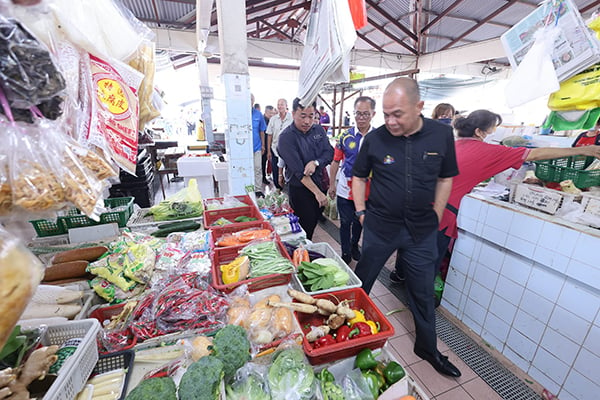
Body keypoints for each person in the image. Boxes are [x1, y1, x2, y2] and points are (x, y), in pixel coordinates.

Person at [352, 77, 461, 378]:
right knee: (362, 283)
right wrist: (362, 212)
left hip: (421, 231)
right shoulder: (375, 139)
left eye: (397, 113)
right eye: (385, 114)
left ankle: (427, 348)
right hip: (380, 226)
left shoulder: (441, 135)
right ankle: (350, 338)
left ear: (419, 107)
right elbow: (359, 177)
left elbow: (445, 177)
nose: (390, 121)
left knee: (423, 292)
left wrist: (437, 214)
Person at [431, 110, 600, 283]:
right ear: (479, 132)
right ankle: (421, 305)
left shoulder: (449, 145)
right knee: (428, 266)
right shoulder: (489, 151)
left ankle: (402, 280)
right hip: (441, 215)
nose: (491, 135)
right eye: (490, 132)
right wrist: (586, 150)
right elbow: (536, 154)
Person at [328, 96, 376, 264]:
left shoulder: (379, 138)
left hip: (367, 190)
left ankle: (355, 245)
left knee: (359, 221)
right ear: (353, 114)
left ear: (373, 114)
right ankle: (346, 251)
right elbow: (335, 161)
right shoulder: (344, 136)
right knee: (345, 221)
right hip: (345, 188)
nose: (361, 118)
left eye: (365, 114)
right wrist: (331, 184)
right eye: (358, 113)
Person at [277, 98, 333, 239]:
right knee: (303, 226)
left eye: (311, 116)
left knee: (313, 220)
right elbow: (299, 172)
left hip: (319, 183)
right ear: (293, 113)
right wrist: (318, 193)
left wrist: (316, 162)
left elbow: (329, 153)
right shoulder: (286, 138)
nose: (307, 121)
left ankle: (306, 248)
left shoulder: (318, 129)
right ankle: (301, 252)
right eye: (303, 116)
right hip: (301, 189)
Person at [266, 99, 292, 190]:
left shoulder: (291, 118)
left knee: (289, 171)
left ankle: (288, 188)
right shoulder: (273, 119)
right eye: (278, 105)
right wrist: (268, 150)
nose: (280, 106)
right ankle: (278, 189)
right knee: (275, 170)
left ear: (286, 106)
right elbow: (269, 135)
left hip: (289, 151)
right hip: (275, 149)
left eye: (282, 104)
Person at [251, 94, 267, 192]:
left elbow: (262, 131)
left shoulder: (258, 114)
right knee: (247, 170)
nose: (250, 101)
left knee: (258, 168)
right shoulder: (240, 113)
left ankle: (257, 190)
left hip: (257, 146)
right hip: (243, 148)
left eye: (251, 99)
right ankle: (248, 189)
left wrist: (263, 145)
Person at [262, 105, 275, 184]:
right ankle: (263, 177)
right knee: (262, 163)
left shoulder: (271, 120)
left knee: (267, 161)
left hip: (270, 145)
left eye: (272, 113)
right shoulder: (262, 120)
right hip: (263, 145)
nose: (271, 115)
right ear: (266, 112)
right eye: (270, 113)